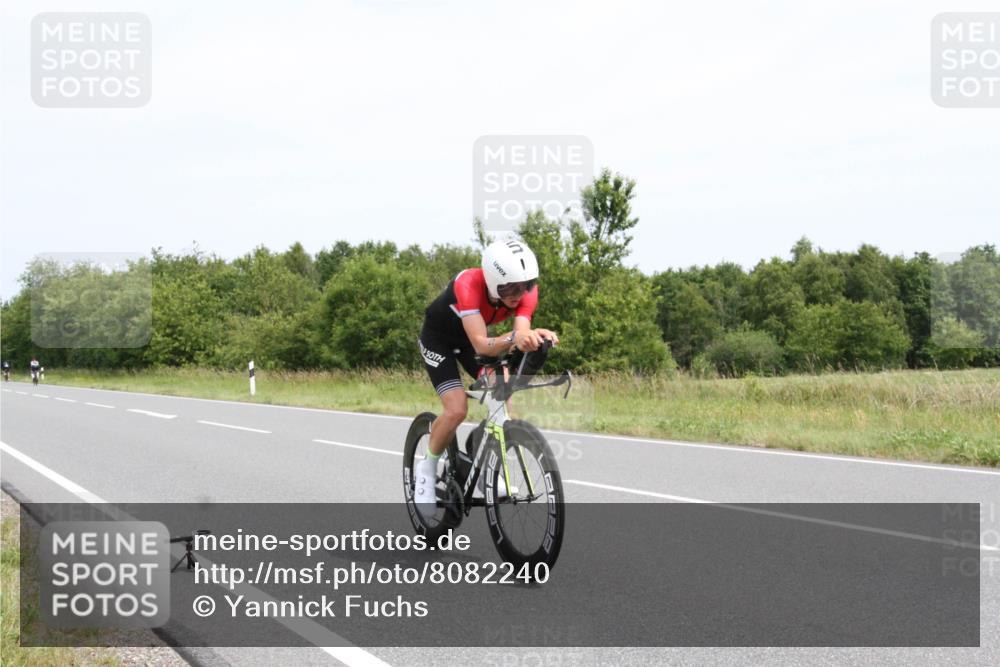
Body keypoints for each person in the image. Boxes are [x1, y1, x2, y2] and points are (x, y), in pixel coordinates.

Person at [414, 239, 559, 517]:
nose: (518, 294)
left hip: (471, 340)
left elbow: (518, 339)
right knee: (457, 409)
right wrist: (516, 336)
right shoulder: (468, 284)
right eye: (509, 288)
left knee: (503, 398)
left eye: (525, 286)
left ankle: (481, 465)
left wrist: (533, 339)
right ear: (492, 282)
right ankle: (427, 469)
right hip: (439, 340)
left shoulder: (526, 291)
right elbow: (482, 345)